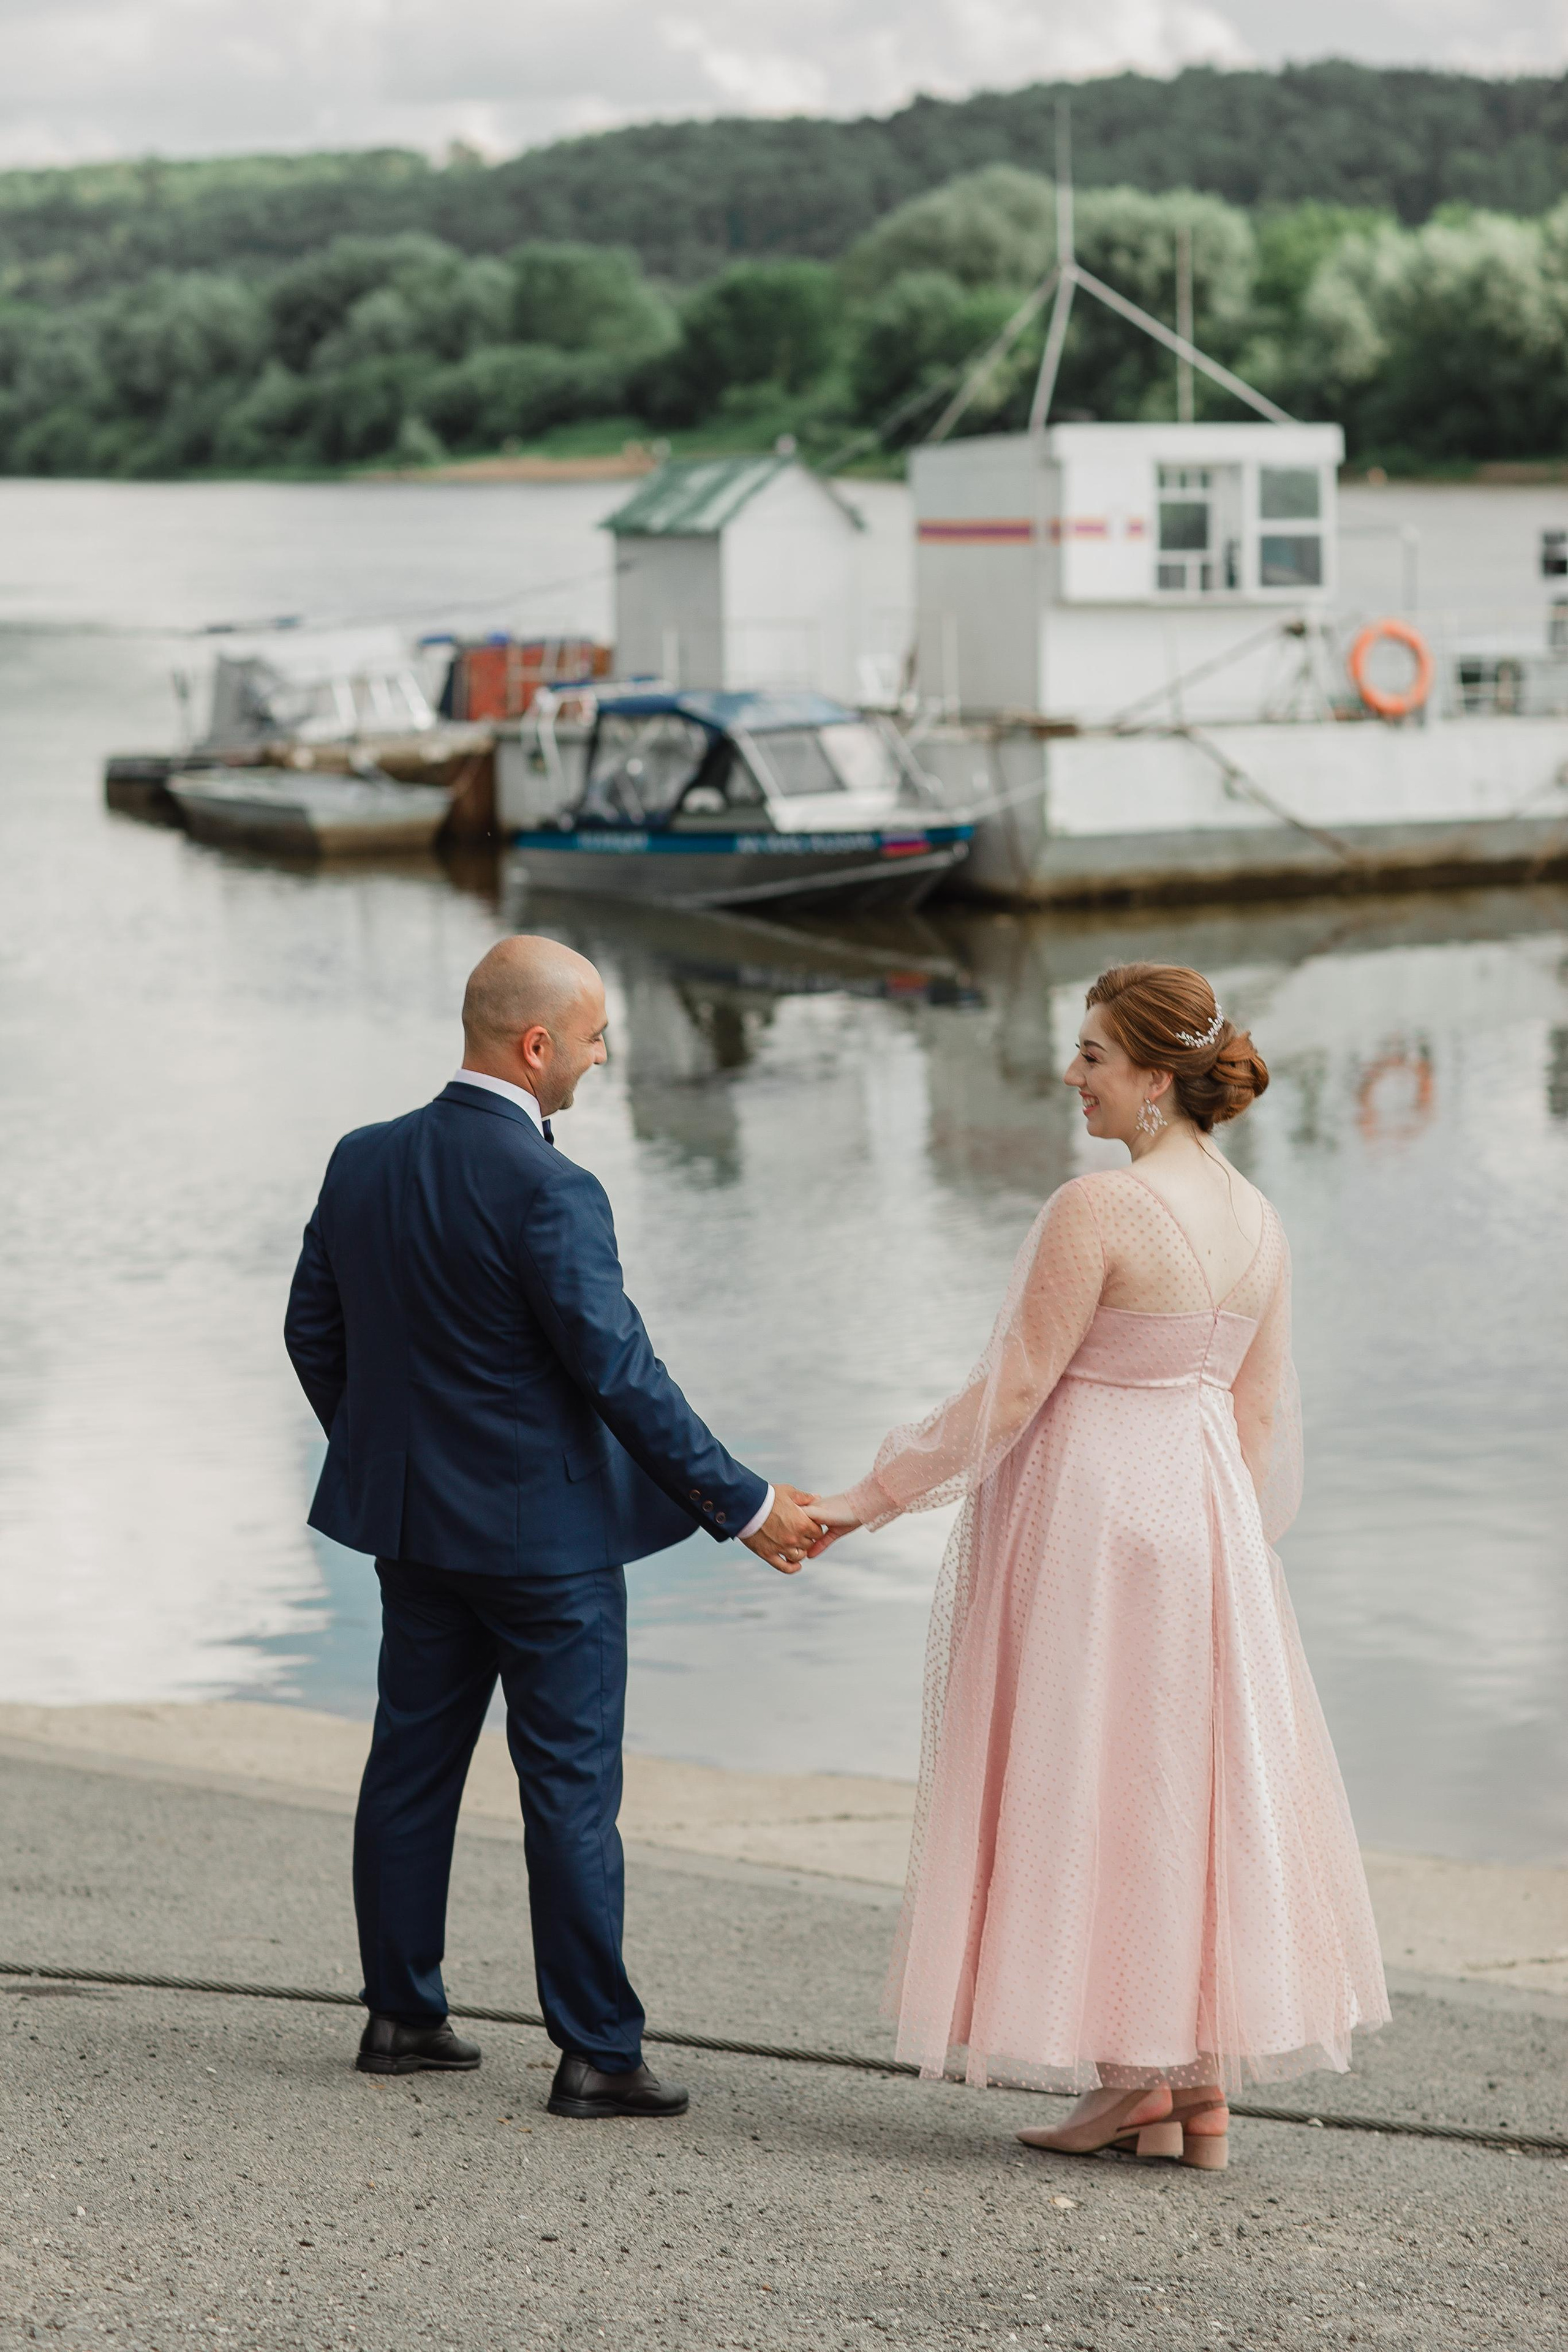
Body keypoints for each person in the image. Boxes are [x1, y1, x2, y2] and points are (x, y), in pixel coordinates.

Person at [807, 962, 1389, 2171]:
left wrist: (868, 1497)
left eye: (1091, 1056)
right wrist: (1230, 1560)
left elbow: (1016, 1386)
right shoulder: (1258, 1221)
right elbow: (1259, 1416)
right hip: (1208, 1527)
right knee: (1181, 1790)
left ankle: (1138, 2082)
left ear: (1155, 1078)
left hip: (1094, 1522)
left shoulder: (1101, 1209)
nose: (1070, 1074)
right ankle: (1194, 2091)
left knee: (1101, 1782)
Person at [284, 934, 820, 2116]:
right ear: (536, 1046)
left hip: (417, 1534)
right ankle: (597, 2054)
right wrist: (744, 1503)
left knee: (409, 1768)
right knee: (570, 1792)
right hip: (549, 1554)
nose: (602, 1057)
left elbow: (312, 1332)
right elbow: (618, 1371)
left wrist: (392, 1458)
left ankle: (401, 2016)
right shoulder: (551, 1188)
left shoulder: (363, 1157)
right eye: (593, 1038)